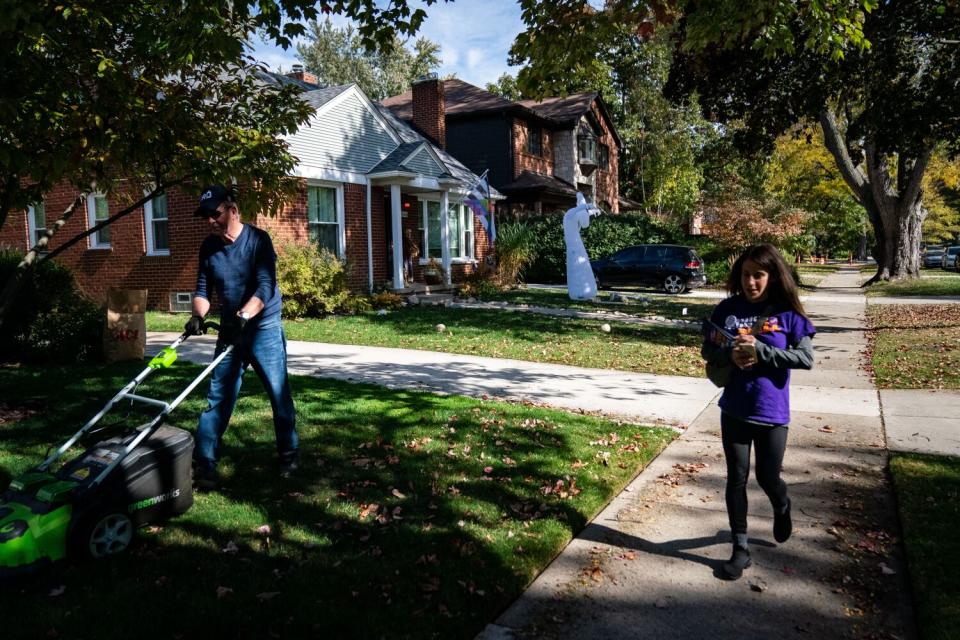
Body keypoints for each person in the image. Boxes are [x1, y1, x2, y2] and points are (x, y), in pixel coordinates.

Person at [701, 244, 816, 579]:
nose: (751, 282)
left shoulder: (788, 314)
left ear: (772, 276)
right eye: (746, 274)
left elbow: (805, 358)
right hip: (734, 408)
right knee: (736, 479)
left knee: (767, 477)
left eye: (758, 275)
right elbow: (709, 350)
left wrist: (763, 351)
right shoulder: (727, 309)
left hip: (772, 412)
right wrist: (729, 356)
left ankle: (782, 505)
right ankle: (740, 548)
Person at [184, 185, 298, 489]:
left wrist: (245, 315)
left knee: (278, 393)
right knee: (217, 398)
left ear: (232, 210)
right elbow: (202, 290)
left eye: (215, 214)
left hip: (264, 331)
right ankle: (205, 464)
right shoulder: (209, 247)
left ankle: (288, 453)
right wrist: (198, 316)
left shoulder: (258, 240)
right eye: (205, 216)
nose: (210, 221)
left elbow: (265, 287)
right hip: (231, 334)